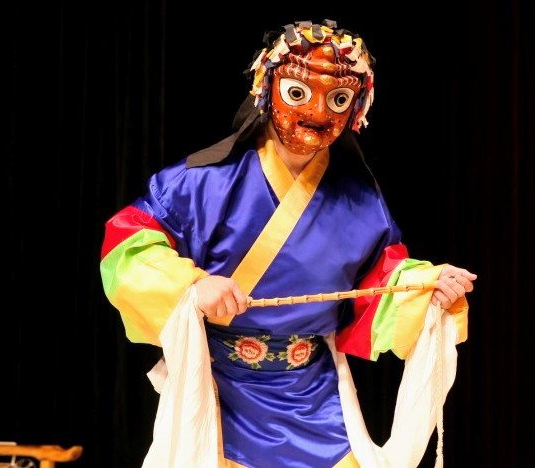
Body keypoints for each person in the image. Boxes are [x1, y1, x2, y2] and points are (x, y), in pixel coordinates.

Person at [100, 18, 477, 468]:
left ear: (357, 108)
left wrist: (427, 287)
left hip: (313, 398)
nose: (317, 112)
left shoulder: (359, 202)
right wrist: (190, 286)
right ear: (267, 87)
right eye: (298, 92)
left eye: (338, 99)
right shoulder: (202, 183)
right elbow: (128, 248)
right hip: (217, 390)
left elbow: (378, 284)